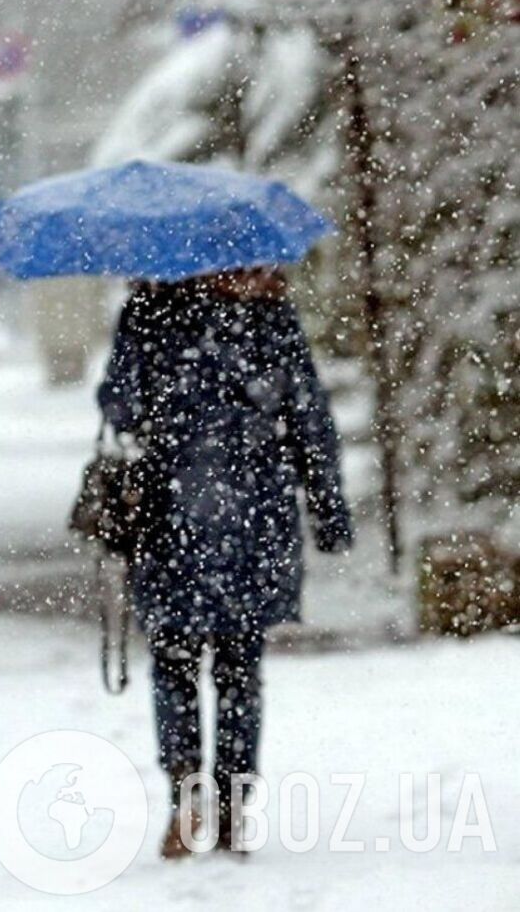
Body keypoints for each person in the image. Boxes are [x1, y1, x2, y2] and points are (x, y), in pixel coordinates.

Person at [97, 267, 353, 858]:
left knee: (175, 662)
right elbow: (310, 420)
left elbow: (120, 406)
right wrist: (327, 509)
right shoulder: (270, 317)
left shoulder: (149, 313)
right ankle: (233, 803)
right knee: (240, 668)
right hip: (254, 518)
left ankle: (187, 792)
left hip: (172, 515)